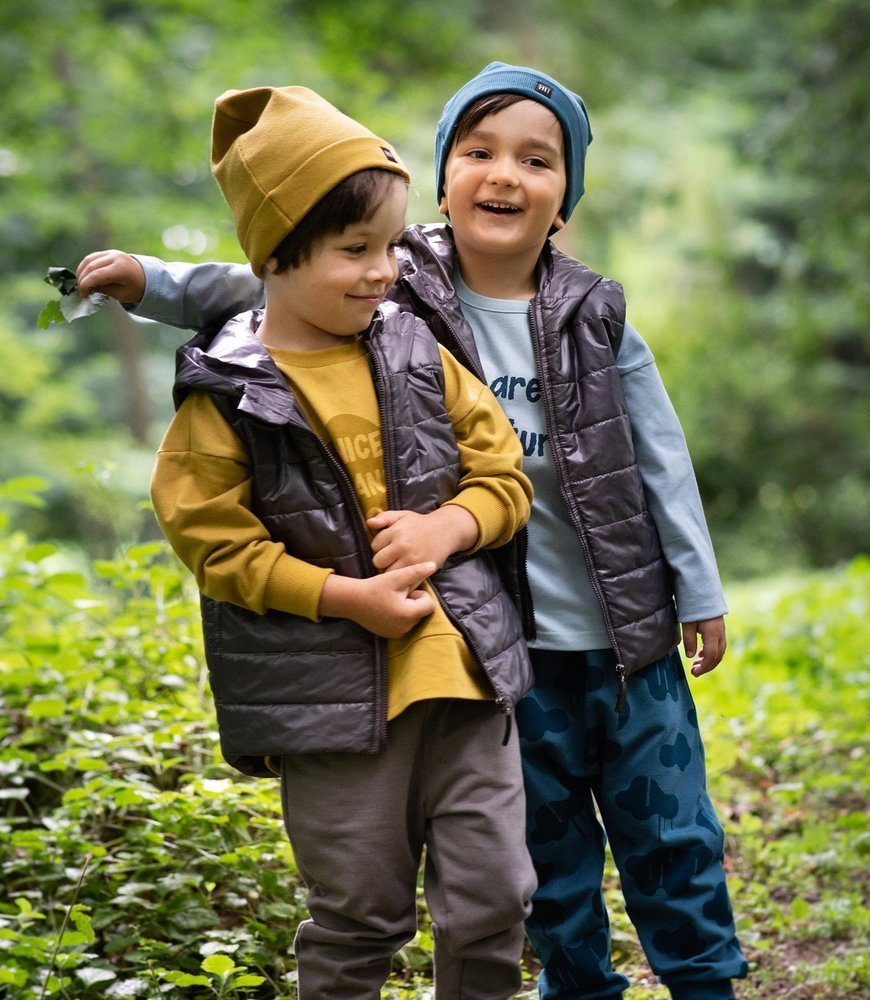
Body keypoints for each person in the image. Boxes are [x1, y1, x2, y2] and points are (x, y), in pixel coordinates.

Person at [77, 63, 748, 999]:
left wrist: (697, 590)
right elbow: (266, 277)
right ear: (443, 179)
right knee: (543, 859)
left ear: (567, 197)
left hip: (622, 634)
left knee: (669, 836)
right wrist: (148, 279)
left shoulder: (593, 313)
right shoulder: (399, 291)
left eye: (537, 159)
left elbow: (660, 457)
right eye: (478, 151)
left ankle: (707, 983)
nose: (504, 174)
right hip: (503, 644)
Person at [130, 83, 538, 1000]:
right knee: (359, 915)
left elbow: (505, 475)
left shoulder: (416, 351)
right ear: (274, 254)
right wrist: (345, 598)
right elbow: (216, 546)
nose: (384, 270)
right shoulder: (228, 393)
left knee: (494, 900)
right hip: (329, 709)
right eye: (355, 249)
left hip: (464, 681)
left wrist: (447, 526)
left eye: (390, 246)